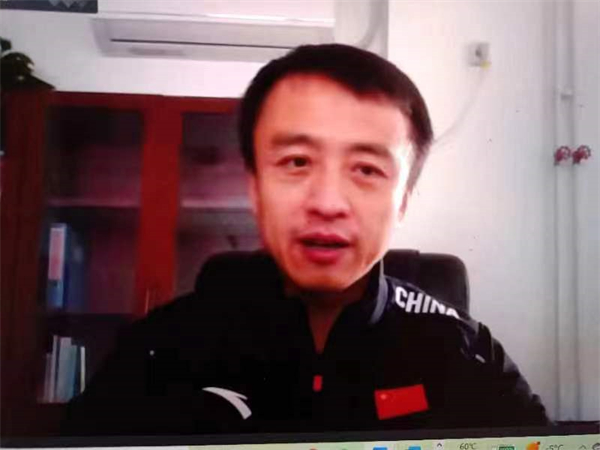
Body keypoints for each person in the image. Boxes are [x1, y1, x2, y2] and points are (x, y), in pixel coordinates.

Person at [63, 44, 549, 436]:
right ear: (255, 188)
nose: (327, 202)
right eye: (296, 162)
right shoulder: (162, 347)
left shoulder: (462, 351)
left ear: (402, 201)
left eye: (366, 169)